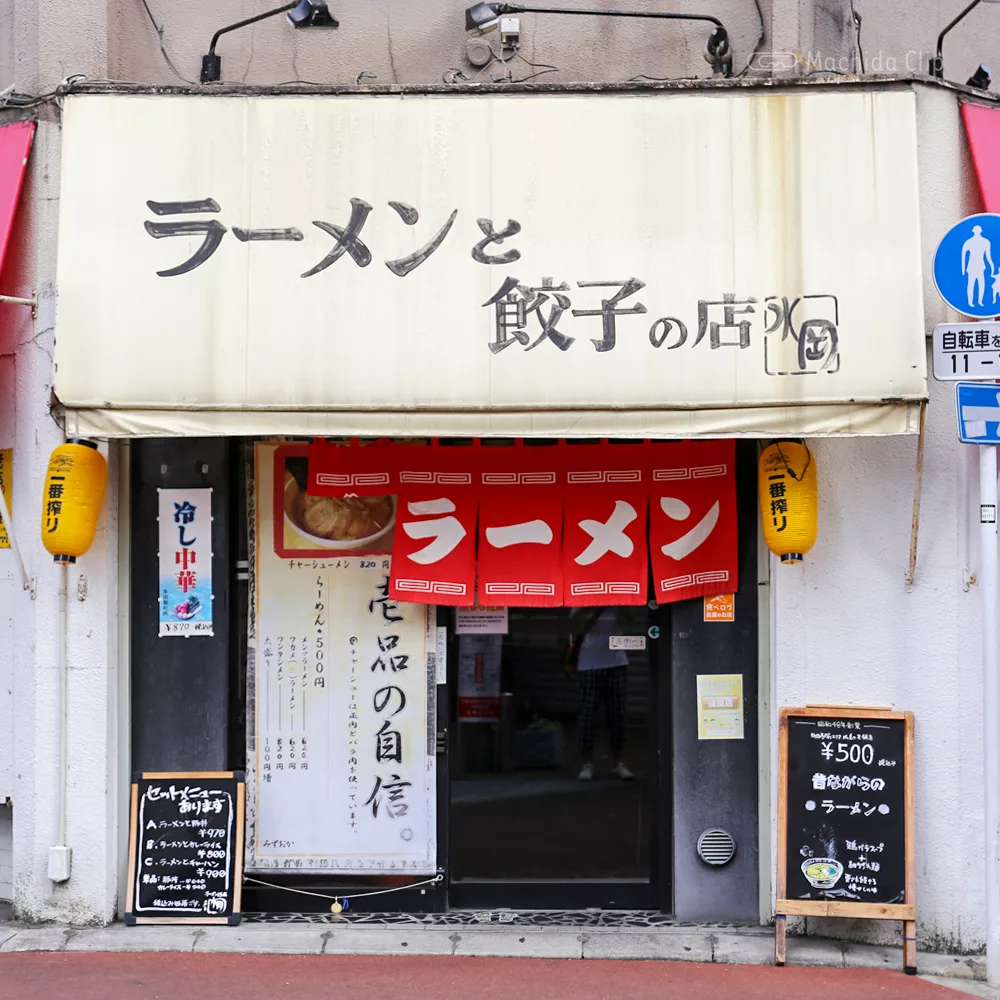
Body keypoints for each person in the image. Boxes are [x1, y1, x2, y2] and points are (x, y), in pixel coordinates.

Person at [567, 606, 634, 782]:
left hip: (616, 660)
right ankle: (587, 763)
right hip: (588, 663)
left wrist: (619, 601)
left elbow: (631, 619)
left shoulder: (618, 592)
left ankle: (618, 761)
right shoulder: (583, 593)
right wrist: (594, 603)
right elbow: (573, 622)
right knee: (588, 716)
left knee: (618, 716)